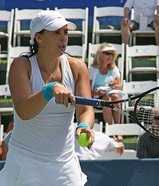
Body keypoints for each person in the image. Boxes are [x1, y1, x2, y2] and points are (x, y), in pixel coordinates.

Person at [0, 10, 95, 186]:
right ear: (39, 38)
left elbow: (86, 110)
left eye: (65, 32)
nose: (63, 37)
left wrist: (84, 126)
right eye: (56, 32)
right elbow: (24, 111)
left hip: (65, 166)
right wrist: (49, 90)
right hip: (25, 164)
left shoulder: (77, 67)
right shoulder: (21, 65)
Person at [88, 43, 123, 142]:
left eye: (112, 54)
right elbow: (86, 90)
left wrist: (114, 86)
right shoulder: (92, 70)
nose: (110, 56)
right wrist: (97, 93)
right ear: (100, 55)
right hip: (96, 98)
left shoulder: (113, 69)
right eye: (107, 53)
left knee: (115, 97)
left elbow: (118, 86)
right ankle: (110, 131)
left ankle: (117, 130)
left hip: (111, 94)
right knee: (107, 99)